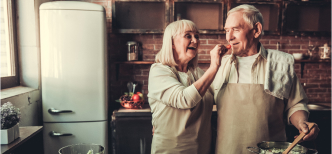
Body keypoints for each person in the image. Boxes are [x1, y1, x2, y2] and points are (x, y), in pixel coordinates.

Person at [213, 4, 320, 154]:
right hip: (227, 149)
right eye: (226, 30)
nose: (229, 37)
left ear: (256, 30)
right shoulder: (219, 65)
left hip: (271, 150)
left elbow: (296, 104)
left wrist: (302, 123)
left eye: (236, 29)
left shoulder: (281, 64)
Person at [147, 20, 228, 154]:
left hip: (202, 148)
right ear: (172, 43)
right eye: (188, 36)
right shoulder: (159, 70)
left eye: (197, 36)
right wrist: (214, 67)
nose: (195, 40)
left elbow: (220, 96)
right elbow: (184, 99)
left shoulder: (198, 73)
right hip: (172, 150)